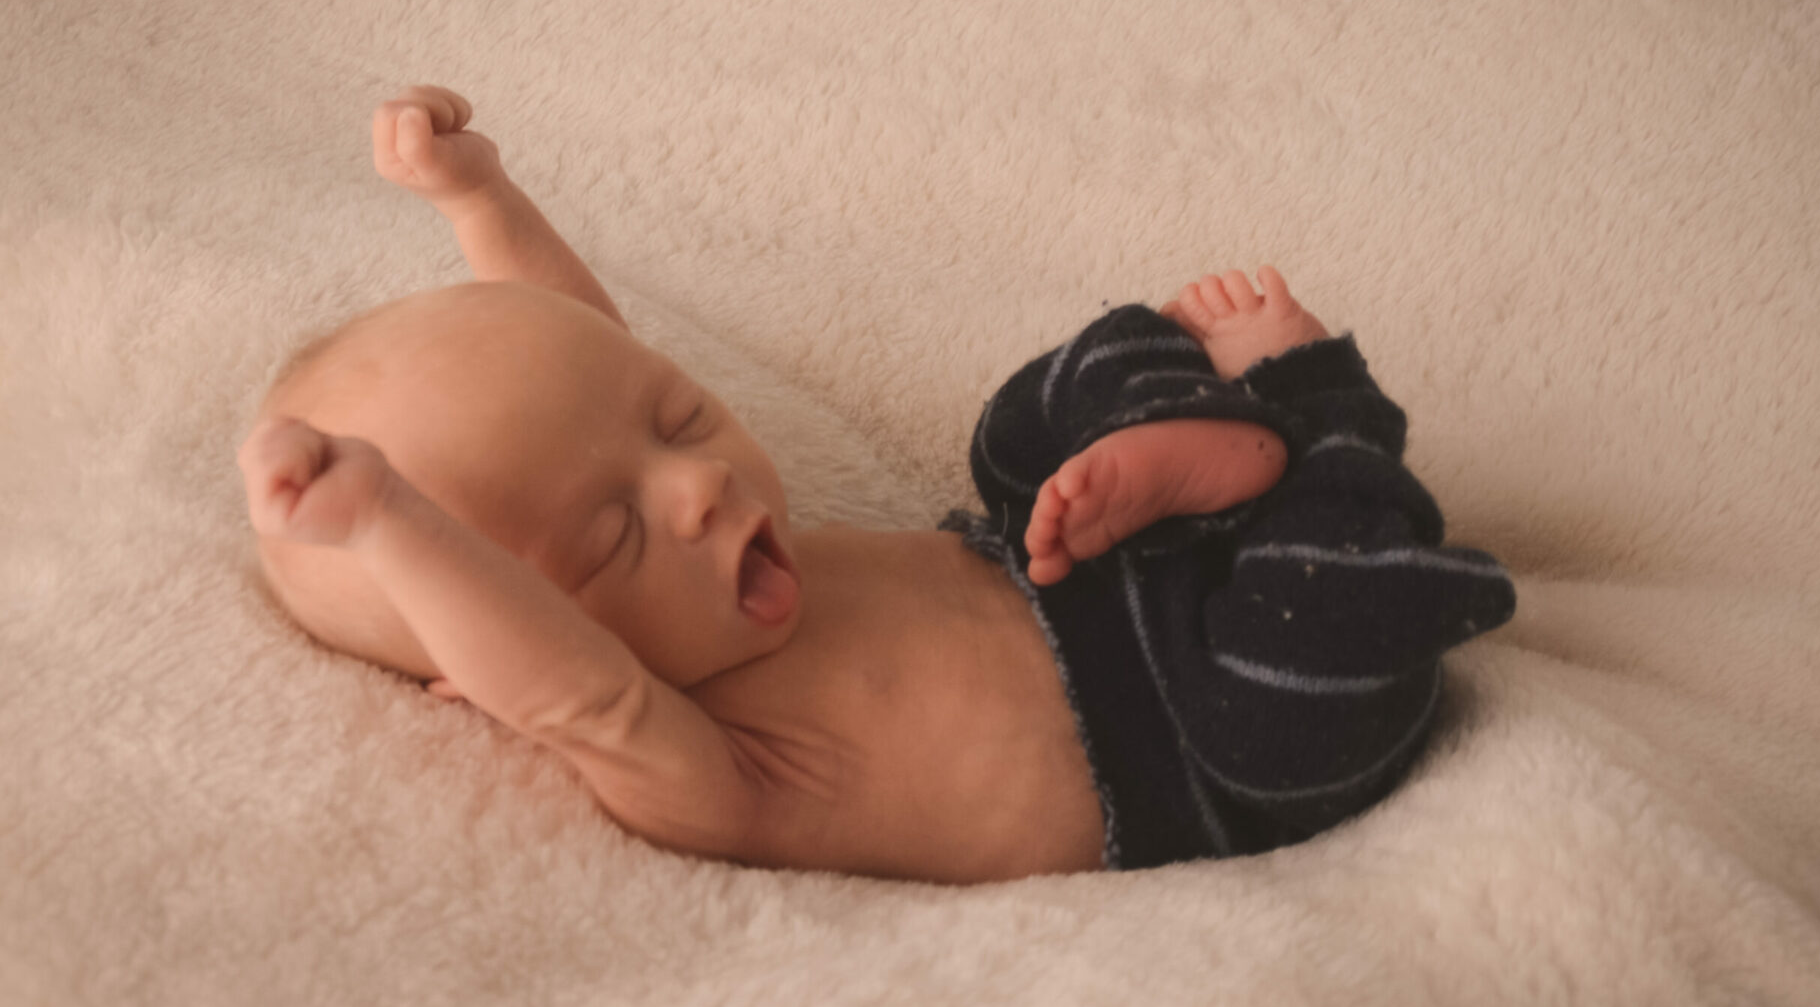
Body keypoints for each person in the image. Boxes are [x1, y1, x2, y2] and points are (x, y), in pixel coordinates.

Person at [237, 87, 1516, 882]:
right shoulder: (691, 766)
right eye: (615, 535)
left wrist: (479, 198)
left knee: (1025, 430)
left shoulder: (656, 482)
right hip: (1207, 742)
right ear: (497, 664)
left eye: (680, 421)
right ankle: (1309, 412)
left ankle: (1189, 456)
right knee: (1324, 647)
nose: (694, 487)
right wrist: (387, 524)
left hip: (1059, 563)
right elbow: (575, 695)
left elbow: (583, 351)